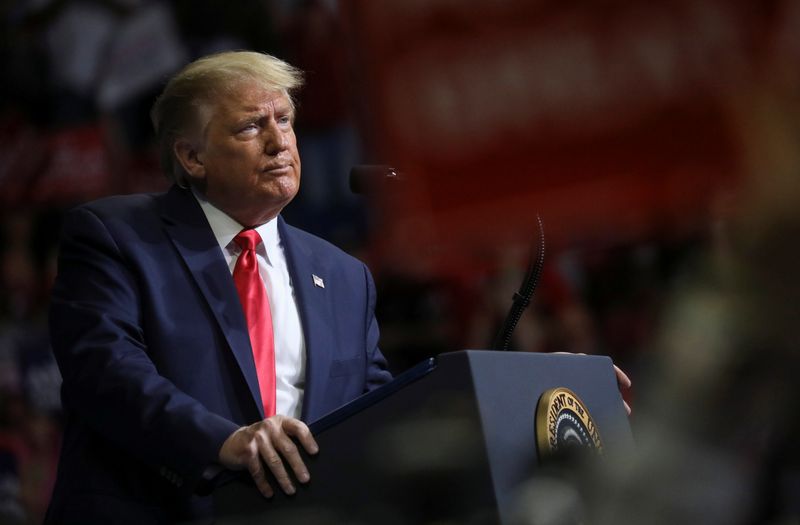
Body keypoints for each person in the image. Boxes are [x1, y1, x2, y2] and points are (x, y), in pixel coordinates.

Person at [44, 50, 392, 524]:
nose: (279, 143)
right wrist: (222, 442)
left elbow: (375, 409)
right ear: (191, 156)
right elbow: (105, 371)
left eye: (285, 120)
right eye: (251, 127)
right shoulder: (116, 236)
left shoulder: (345, 275)